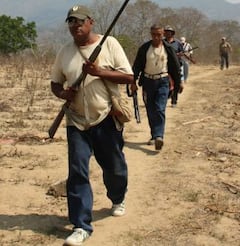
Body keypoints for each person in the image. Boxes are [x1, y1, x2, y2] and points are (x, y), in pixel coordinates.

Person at [49, 5, 134, 246]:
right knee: (77, 172)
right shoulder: (65, 52)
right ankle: (81, 225)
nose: (75, 25)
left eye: (79, 21)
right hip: (76, 121)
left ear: (91, 22)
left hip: (105, 117)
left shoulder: (110, 45)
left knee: (114, 166)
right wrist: (63, 94)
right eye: (71, 22)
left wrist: (99, 72)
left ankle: (118, 198)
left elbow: (128, 77)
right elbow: (55, 82)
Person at [131, 24, 181, 150]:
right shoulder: (144, 48)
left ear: (163, 34)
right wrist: (133, 82)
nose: (156, 37)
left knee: (159, 108)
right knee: (150, 109)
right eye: (154, 34)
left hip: (163, 81)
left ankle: (159, 136)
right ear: (151, 34)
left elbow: (175, 67)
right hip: (148, 81)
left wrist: (179, 83)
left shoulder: (168, 48)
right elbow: (137, 66)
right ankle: (154, 135)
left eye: (159, 34)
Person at [164, 25, 184, 107]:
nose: (168, 34)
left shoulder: (178, 43)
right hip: (165, 66)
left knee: (176, 83)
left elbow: (182, 53)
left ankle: (174, 101)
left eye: (169, 32)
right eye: (166, 32)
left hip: (176, 66)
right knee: (165, 83)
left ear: (172, 33)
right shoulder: (162, 42)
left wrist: (178, 55)